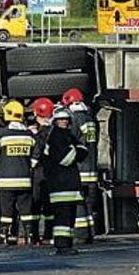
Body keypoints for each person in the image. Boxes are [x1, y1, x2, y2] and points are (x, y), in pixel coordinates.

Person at [40, 107, 87, 256]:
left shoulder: (68, 136)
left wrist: (76, 150)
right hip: (60, 184)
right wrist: (76, 151)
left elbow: (83, 150)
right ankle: (62, 245)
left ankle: (67, 244)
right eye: (60, 120)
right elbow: (66, 159)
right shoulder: (55, 137)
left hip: (68, 185)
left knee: (69, 217)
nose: (64, 122)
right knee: (62, 217)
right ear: (55, 121)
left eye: (66, 119)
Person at [0, 100, 37, 245]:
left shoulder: (1, 135)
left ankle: (4, 235)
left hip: (6, 180)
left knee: (6, 210)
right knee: (26, 210)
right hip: (24, 180)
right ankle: (29, 235)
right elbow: (36, 155)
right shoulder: (29, 135)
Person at [61, 88, 99, 243]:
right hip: (91, 168)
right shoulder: (91, 119)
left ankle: (81, 234)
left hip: (79, 168)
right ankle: (91, 232)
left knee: (78, 202)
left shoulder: (74, 120)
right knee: (88, 203)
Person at [28, 97, 55, 246]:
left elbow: (36, 149)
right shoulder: (55, 129)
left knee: (35, 203)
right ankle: (48, 234)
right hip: (51, 171)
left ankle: (33, 235)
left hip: (38, 172)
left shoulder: (39, 132)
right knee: (49, 206)